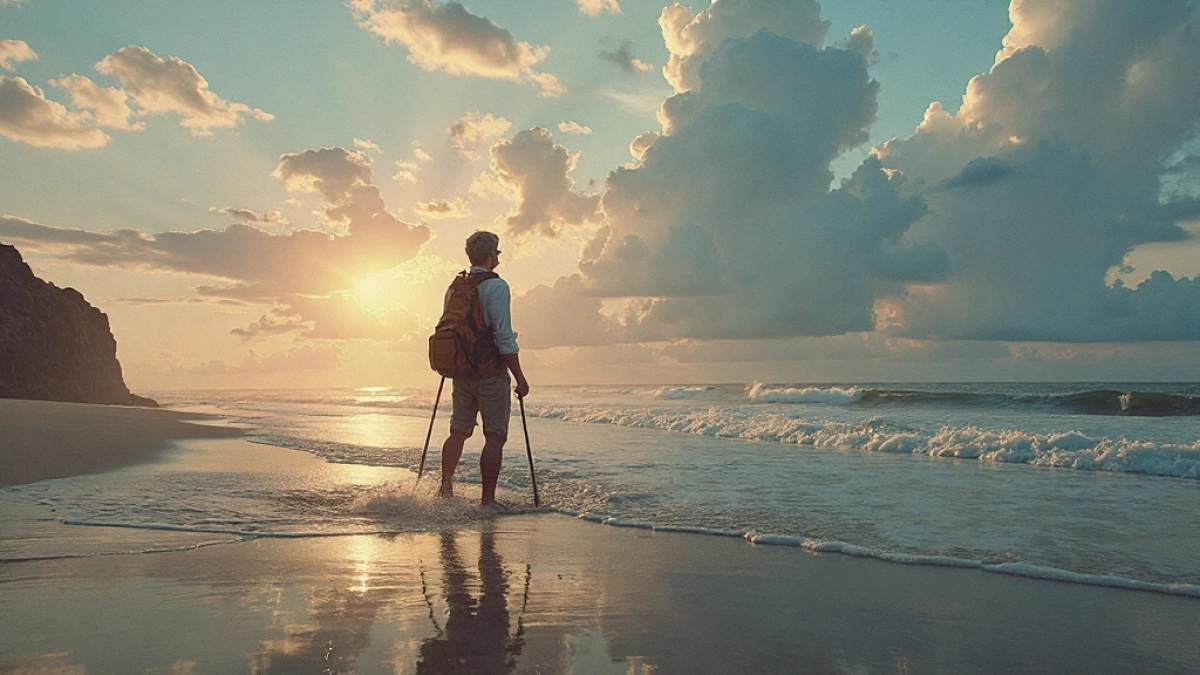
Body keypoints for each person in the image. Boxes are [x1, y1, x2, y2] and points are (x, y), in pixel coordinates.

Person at [439, 231, 530, 506]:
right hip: (490, 372)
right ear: (490, 255)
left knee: (458, 430)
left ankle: (445, 489)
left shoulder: (455, 287)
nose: (498, 257)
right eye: (497, 252)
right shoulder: (497, 287)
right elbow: (503, 336)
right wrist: (520, 378)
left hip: (461, 370)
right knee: (495, 435)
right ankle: (487, 500)